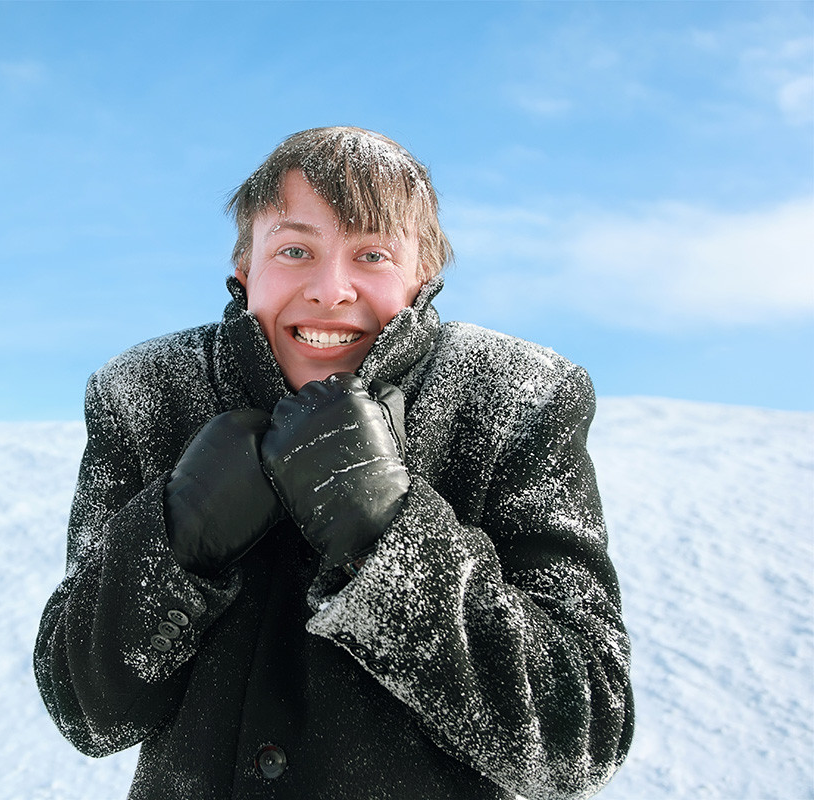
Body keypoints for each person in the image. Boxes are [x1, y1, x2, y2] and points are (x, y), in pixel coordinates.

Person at [34, 127, 633, 799]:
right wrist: (175, 543)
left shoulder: (516, 399)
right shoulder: (146, 395)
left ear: (421, 278)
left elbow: (583, 742)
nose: (330, 289)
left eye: (372, 254)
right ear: (244, 268)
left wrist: (389, 542)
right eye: (295, 250)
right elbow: (83, 712)